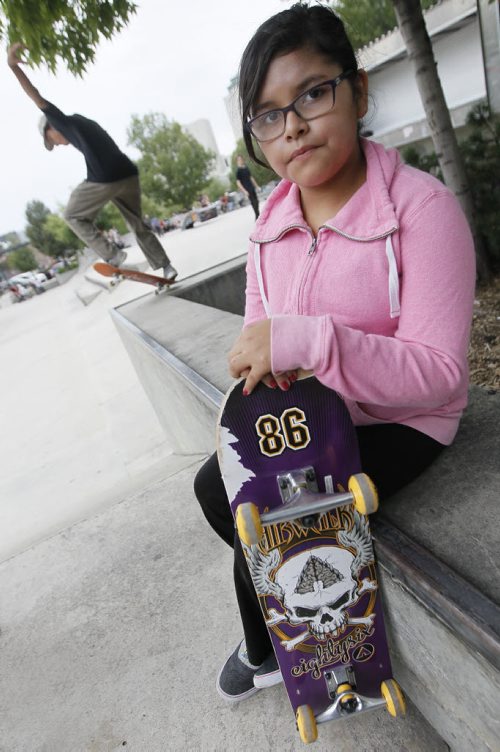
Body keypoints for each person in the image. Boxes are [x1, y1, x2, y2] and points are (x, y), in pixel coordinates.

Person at [193, 2, 475, 703]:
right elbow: (261, 334)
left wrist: (311, 342)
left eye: (312, 94)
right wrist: (258, 377)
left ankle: (273, 650)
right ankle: (277, 642)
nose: (292, 126)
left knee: (273, 511)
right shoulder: (270, 223)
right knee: (218, 486)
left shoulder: (423, 210)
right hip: (318, 415)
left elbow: (439, 373)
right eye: (267, 114)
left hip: (404, 419)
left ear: (359, 90)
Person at [7, 42, 177, 281]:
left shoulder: (62, 121)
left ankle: (114, 256)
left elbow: (35, 95)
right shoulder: (82, 123)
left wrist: (13, 67)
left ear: (50, 127)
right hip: (128, 175)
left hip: (105, 180)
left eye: (52, 141)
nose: (57, 145)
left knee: (72, 215)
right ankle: (166, 266)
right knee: (137, 224)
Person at [235, 155, 260, 219]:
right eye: (239, 160)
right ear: (237, 161)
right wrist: (244, 191)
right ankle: (257, 216)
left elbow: (251, 178)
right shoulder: (238, 171)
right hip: (246, 188)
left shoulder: (246, 168)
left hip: (251, 186)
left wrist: (257, 186)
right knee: (253, 202)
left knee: (257, 201)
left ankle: (257, 215)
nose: (240, 160)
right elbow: (238, 183)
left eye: (241, 159)